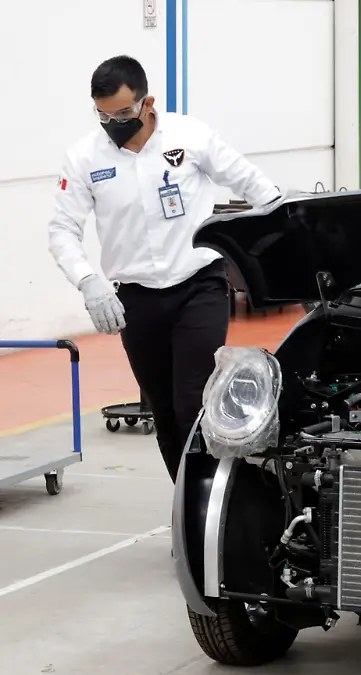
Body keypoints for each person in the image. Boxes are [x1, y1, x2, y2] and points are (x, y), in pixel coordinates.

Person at [47, 55, 282, 483]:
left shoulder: (189, 136)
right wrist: (89, 282)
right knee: (164, 411)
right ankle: (188, 504)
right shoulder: (84, 158)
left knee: (193, 403)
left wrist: (284, 230)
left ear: (147, 103)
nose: (113, 124)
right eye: (103, 115)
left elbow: (252, 182)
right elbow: (62, 229)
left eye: (123, 114)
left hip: (199, 286)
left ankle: (216, 498)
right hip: (136, 300)